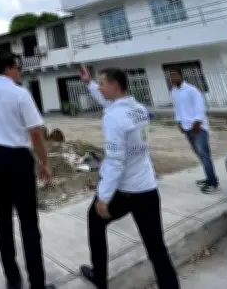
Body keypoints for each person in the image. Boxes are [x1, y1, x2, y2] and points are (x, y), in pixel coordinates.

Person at [78, 66, 179, 289]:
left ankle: (99, 277)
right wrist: (89, 84)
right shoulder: (138, 109)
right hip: (147, 189)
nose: (100, 87)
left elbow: (115, 161)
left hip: (125, 192)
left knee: (95, 221)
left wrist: (103, 196)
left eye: (102, 83)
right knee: (156, 247)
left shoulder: (114, 118)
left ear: (115, 86)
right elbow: (111, 105)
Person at [0, 51, 56, 289]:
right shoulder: (20, 94)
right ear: (9, 68)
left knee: (3, 219)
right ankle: (37, 283)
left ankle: (12, 279)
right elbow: (36, 132)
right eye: (19, 68)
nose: (21, 73)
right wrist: (45, 162)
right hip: (18, 158)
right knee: (28, 220)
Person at [168, 69, 218, 193]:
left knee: (204, 154)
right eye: (171, 77)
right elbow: (177, 109)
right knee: (199, 153)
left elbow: (200, 107)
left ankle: (213, 182)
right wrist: (179, 122)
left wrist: (197, 122)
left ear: (181, 76)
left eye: (175, 75)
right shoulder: (174, 92)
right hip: (186, 127)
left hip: (198, 127)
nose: (173, 79)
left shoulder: (192, 90)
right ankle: (209, 177)